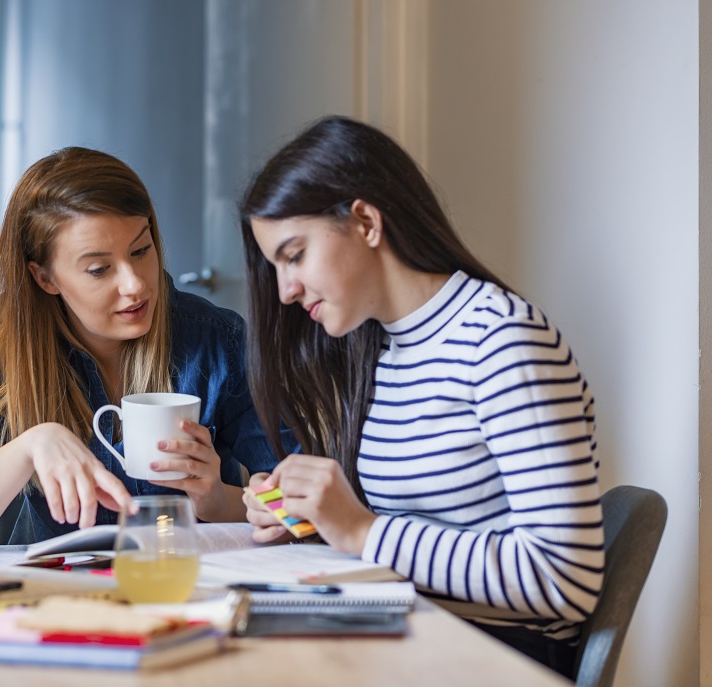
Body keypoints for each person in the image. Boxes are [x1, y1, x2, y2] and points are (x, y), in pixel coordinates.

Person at [238, 115, 603, 679]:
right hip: (407, 632)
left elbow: (563, 580)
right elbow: (417, 528)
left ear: (364, 221)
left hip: (490, 656)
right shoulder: (382, 348)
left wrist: (361, 531)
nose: (285, 290)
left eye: (294, 255)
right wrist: (308, 518)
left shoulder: (502, 340)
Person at [0, 146, 289, 546]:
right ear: (45, 278)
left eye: (141, 250)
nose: (135, 284)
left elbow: (294, 511)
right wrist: (31, 446)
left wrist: (215, 499)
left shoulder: (220, 342)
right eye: (99, 269)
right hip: (59, 595)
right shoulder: (5, 362)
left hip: (190, 587)